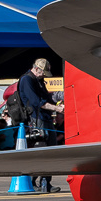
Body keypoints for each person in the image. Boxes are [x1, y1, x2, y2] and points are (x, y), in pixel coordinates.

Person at [17, 58, 64, 193]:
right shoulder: (27, 80)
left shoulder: (38, 81)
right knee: (41, 151)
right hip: (36, 120)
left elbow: (47, 98)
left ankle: (45, 182)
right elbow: (36, 102)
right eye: (43, 73)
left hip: (45, 118)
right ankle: (36, 181)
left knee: (50, 151)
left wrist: (57, 105)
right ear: (37, 69)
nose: (44, 76)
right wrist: (57, 109)